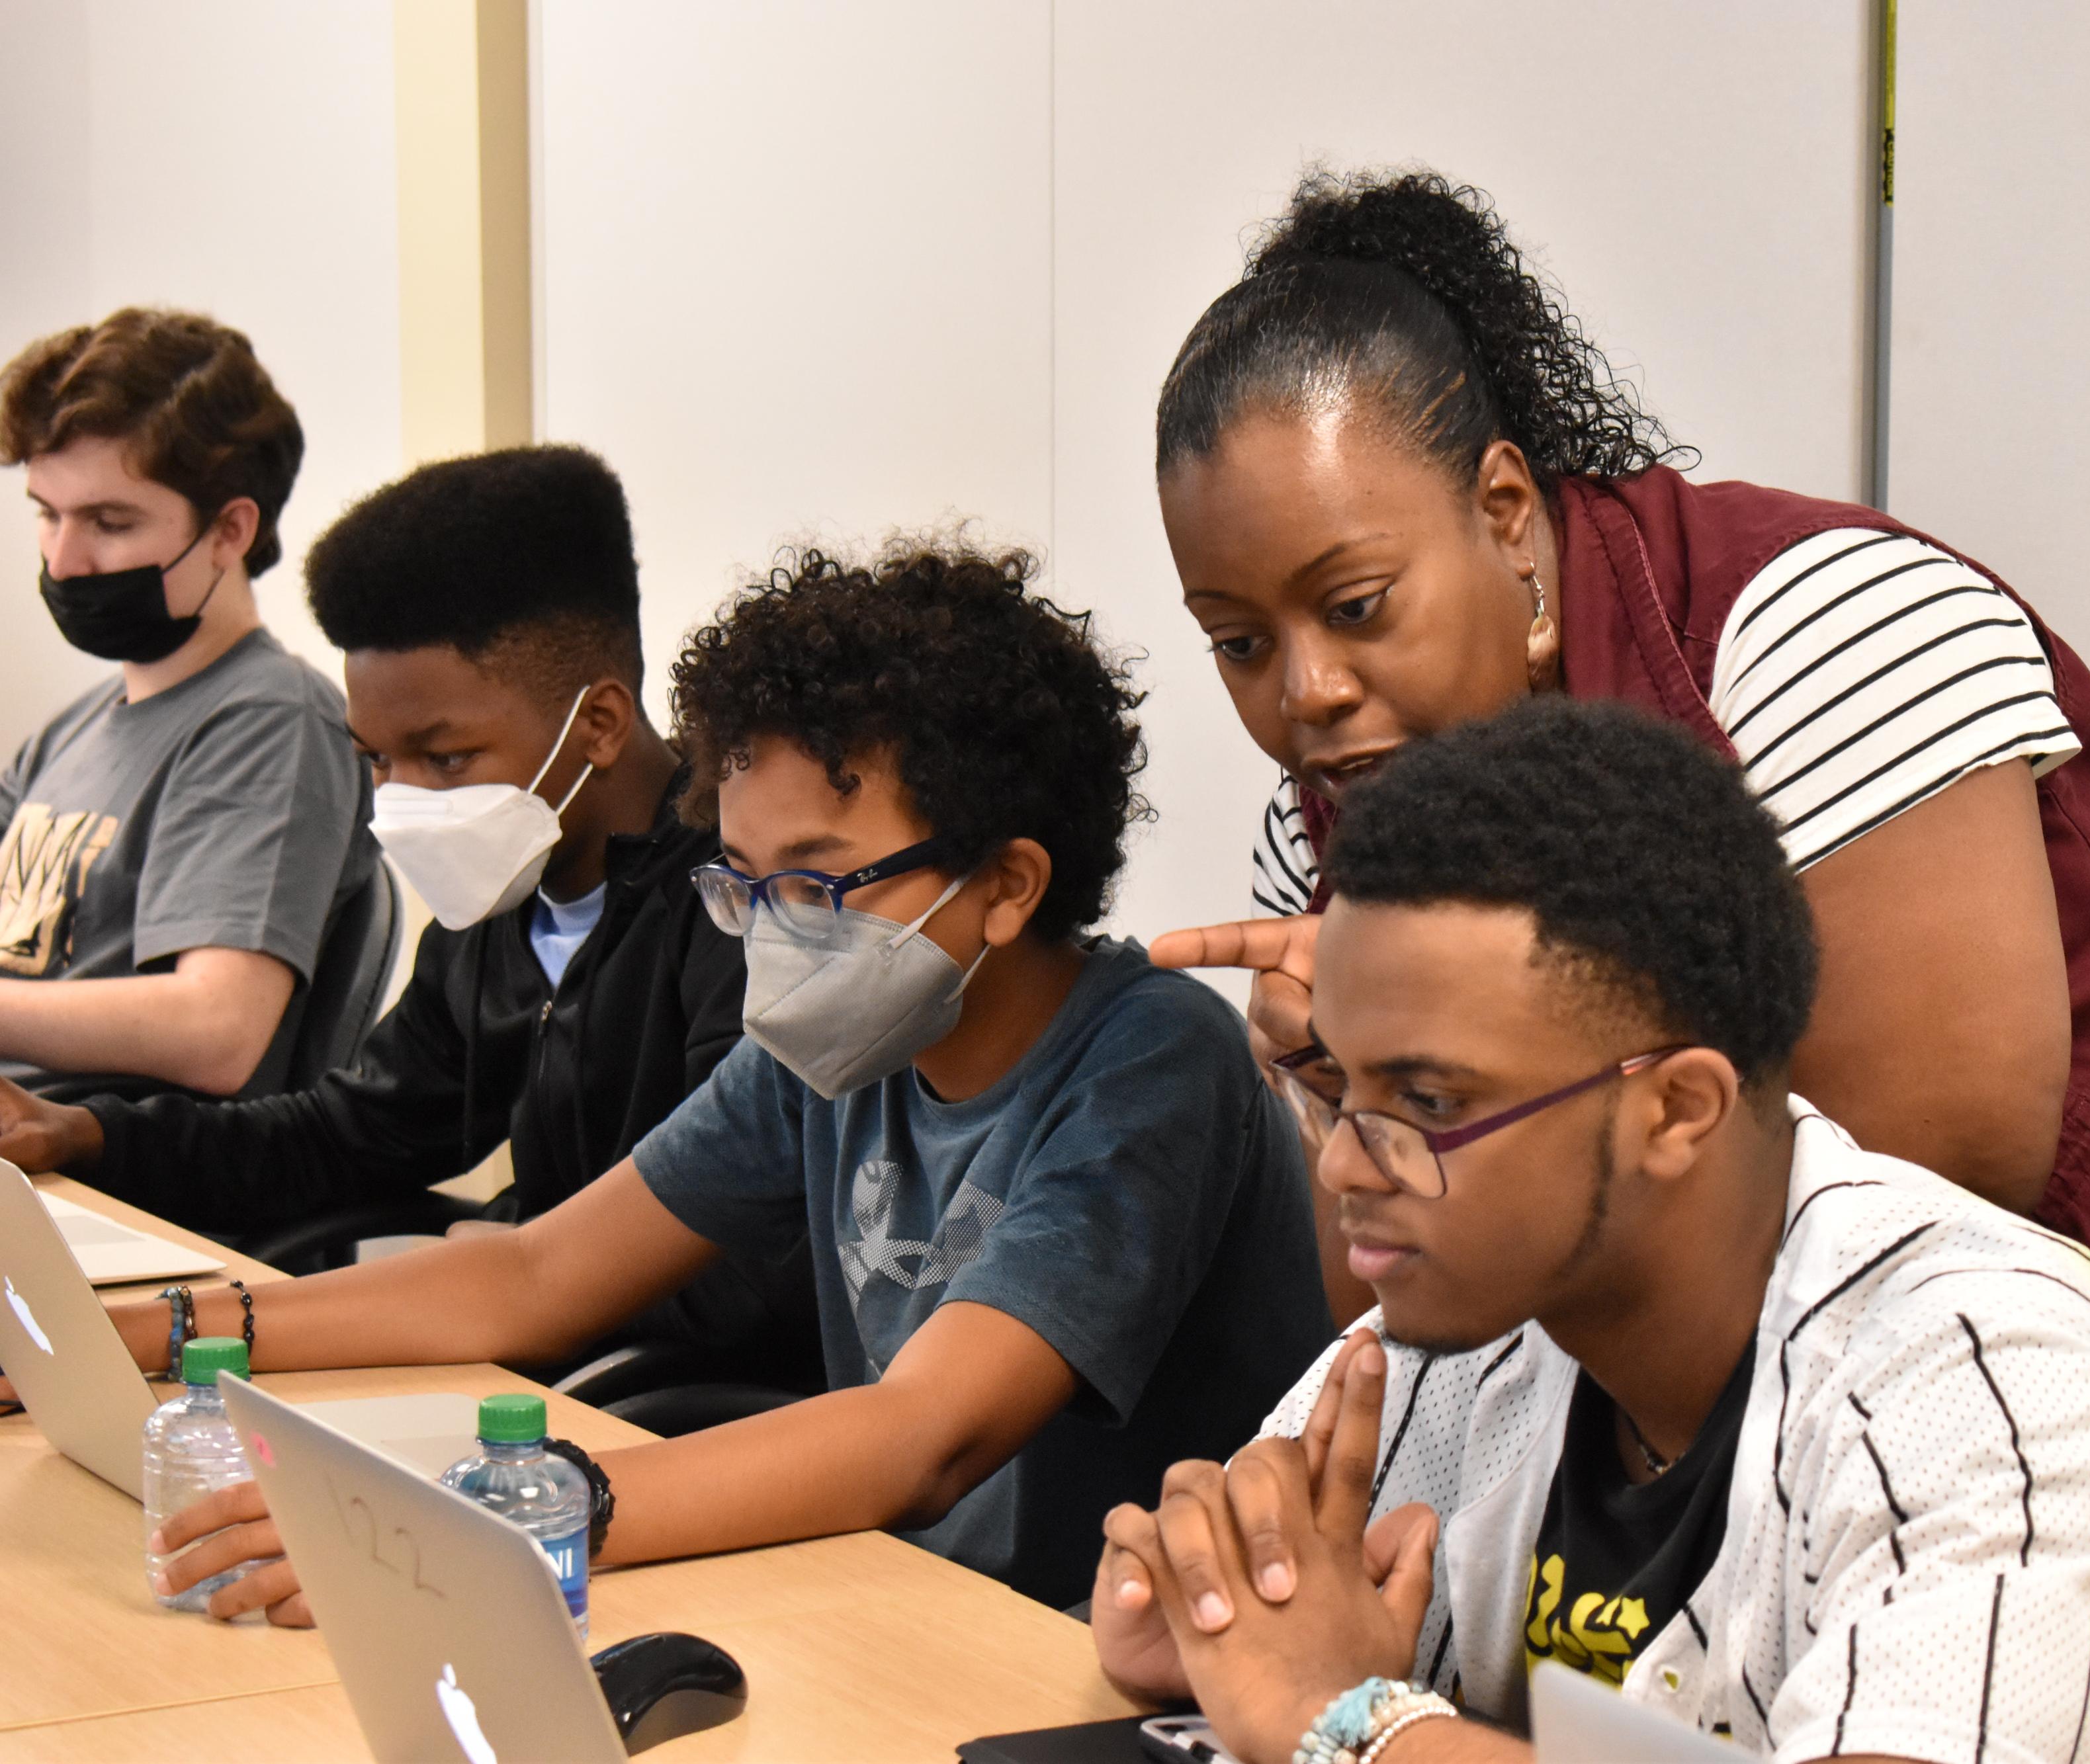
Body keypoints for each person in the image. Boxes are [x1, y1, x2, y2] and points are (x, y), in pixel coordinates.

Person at [1147, 168, 2090, 1448]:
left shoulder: (1815, 627)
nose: (1305, 694)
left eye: (1351, 606)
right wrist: (1347, 1089)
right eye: (1238, 641)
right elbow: (1396, 1290)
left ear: (1506, 512)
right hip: (1878, 1387)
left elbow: (1946, 1153)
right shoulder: (1325, 839)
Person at [1094, 698, 2090, 1763]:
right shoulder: (1468, 1323)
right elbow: (1267, 1620)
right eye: (1337, 1090)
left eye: (1427, 1102)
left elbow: (1325, 1700)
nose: (1347, 1167)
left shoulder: (1988, 1371)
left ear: (1674, 1108)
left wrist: (1349, 1721)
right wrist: (1214, 1614)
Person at [81, 538, 1331, 1623]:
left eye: (819, 880)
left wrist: (498, 1510)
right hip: (891, 1598)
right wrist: (155, 1332)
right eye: (743, 883)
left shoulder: (1151, 1059)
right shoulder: (839, 1045)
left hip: (1109, 1652)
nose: (776, 935)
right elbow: (537, 1273)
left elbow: (925, 1435)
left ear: (1006, 885)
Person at [0, 444, 813, 1377]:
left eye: (448, 757)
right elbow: (346, 1136)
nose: (406, 800)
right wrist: (84, 1131)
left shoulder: (744, 914)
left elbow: (739, 1280)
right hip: (512, 1352)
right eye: (379, 760)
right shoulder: (503, 904)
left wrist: (461, 1289)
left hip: (652, 1404)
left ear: (599, 724)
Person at [0, 307, 377, 1102]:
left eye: (110, 521)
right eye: (47, 514)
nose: (64, 560)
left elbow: (216, 1030)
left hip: (93, 1191)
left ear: (229, 531)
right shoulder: (67, 737)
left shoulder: (271, 719)